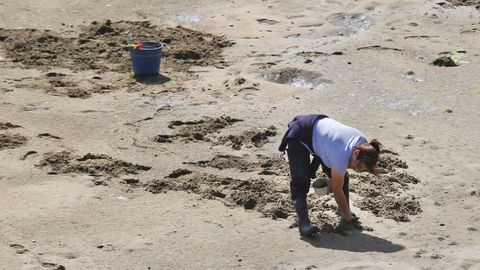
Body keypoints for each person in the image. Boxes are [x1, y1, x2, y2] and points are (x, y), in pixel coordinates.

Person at [279, 114, 382, 236]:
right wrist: (348, 218)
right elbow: (337, 189)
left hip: (323, 138)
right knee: (301, 180)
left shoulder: (363, 143)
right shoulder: (340, 155)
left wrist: (333, 185)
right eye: (358, 166)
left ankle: (343, 210)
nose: (356, 169)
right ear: (356, 153)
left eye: (361, 169)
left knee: (342, 176)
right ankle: (304, 223)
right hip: (300, 133)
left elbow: (336, 182)